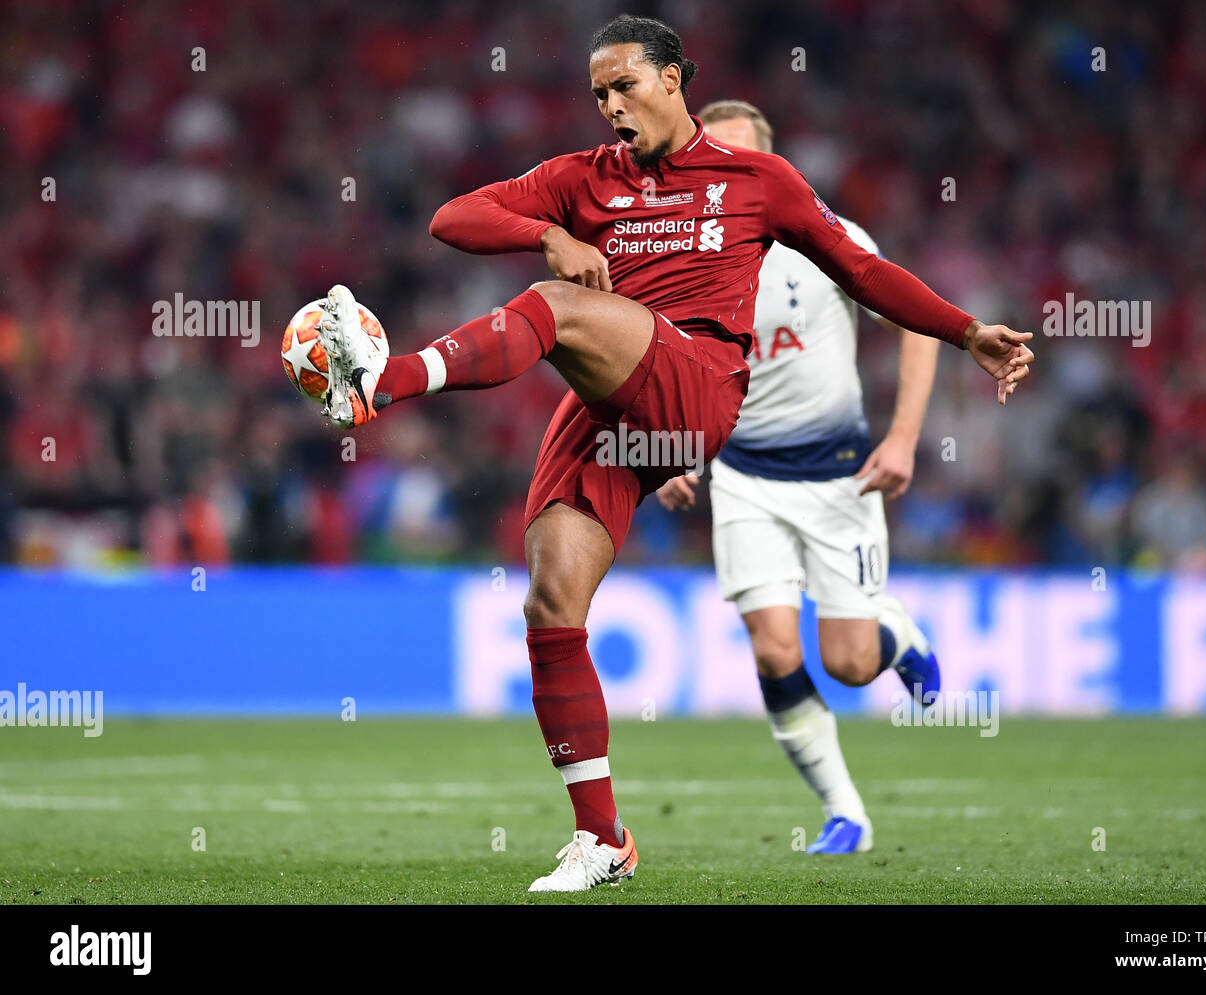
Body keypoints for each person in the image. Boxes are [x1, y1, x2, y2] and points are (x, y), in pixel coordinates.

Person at [309, 15, 1033, 892]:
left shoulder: (759, 182)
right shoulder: (583, 180)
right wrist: (550, 232)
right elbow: (452, 217)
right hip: (614, 403)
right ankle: (603, 837)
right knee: (550, 601)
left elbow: (863, 272)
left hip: (698, 386)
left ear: (674, 80)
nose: (612, 107)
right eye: (599, 94)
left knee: (554, 307)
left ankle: (381, 381)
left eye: (626, 87)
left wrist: (967, 333)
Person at [657, 100, 942, 855]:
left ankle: (897, 632)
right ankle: (844, 810)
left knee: (849, 663)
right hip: (745, 476)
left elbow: (915, 320)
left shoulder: (832, 240)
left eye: (744, 157)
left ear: (774, 169)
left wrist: (905, 437)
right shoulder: (678, 261)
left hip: (839, 477)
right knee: (774, 649)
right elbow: (660, 367)